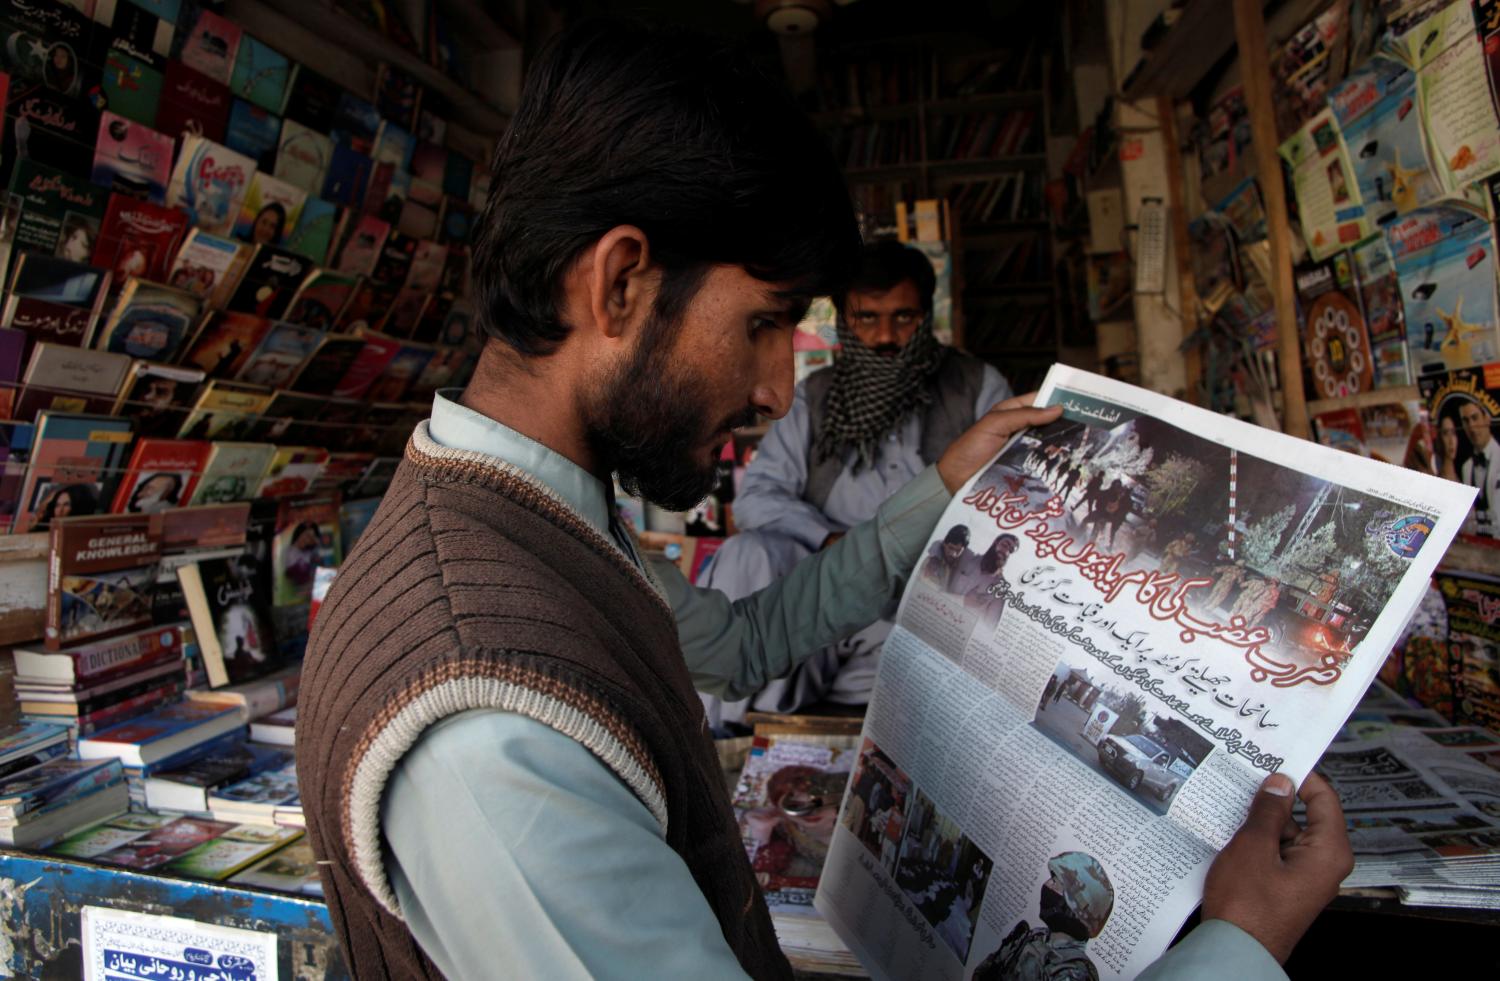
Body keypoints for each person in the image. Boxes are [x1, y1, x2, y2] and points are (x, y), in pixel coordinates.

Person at [297, 19, 1354, 981]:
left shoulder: (539, 526)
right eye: (763, 323)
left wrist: (941, 487)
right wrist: (1242, 947)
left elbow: (756, 637)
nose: (770, 387)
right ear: (620, 283)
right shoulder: (488, 738)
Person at [698, 239, 1012, 721]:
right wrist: (832, 541)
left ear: (927, 316)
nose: (885, 337)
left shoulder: (975, 386)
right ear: (845, 321)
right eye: (867, 319)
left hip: (922, 594)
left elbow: (1002, 508)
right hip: (823, 592)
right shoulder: (815, 396)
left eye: (903, 318)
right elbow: (758, 498)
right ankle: (739, 734)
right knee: (747, 553)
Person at [973, 851, 1114, 981]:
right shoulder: (1034, 936)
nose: (1047, 885)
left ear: (1075, 909)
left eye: (1055, 883)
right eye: (1051, 879)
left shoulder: (1074, 973)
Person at [1459, 398, 1499, 536]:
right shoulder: (1466, 467)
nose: (1471, 427)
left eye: (1475, 418)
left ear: (1486, 419)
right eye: (1466, 421)